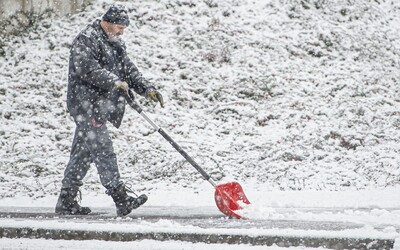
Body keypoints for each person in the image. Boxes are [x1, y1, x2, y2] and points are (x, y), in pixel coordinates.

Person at [55, 4, 164, 216]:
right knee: (103, 150)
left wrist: (147, 88)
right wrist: (114, 81)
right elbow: (86, 68)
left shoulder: (115, 44)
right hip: (86, 105)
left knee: (82, 153)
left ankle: (66, 200)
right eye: (120, 27)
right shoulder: (87, 39)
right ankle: (120, 198)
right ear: (108, 23)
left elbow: (129, 70)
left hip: (99, 107)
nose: (123, 31)